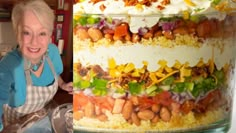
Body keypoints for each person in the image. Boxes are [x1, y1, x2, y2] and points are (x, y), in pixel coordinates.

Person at [0, 0, 73, 132]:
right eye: (26, 32)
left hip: (44, 116)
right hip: (17, 127)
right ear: (17, 34)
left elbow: (55, 74)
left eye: (42, 33)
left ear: (50, 36)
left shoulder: (53, 53)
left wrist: (63, 85)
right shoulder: (7, 65)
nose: (35, 42)